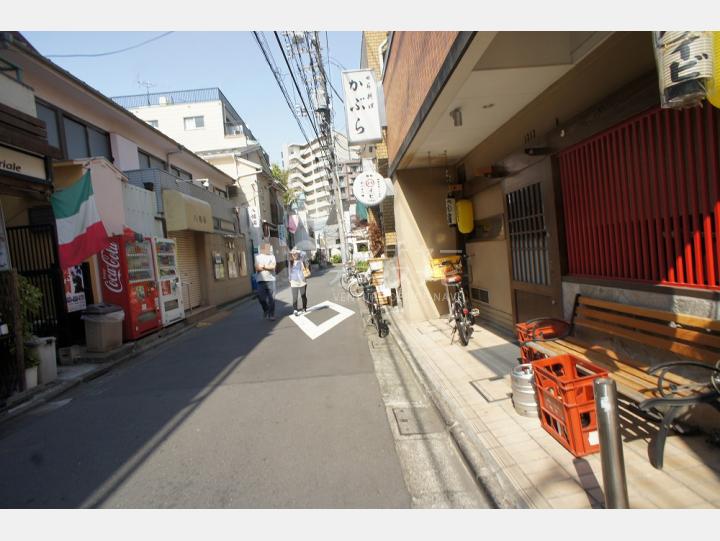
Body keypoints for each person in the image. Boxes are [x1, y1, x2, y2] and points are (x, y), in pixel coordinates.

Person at [254, 243, 276, 320]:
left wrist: (263, 266)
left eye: (268, 248)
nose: (268, 249)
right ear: (262, 249)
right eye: (266, 248)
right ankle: (266, 309)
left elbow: (273, 267)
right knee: (261, 297)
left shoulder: (272, 256)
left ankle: (271, 314)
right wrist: (267, 267)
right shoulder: (257, 257)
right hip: (260, 280)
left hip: (271, 280)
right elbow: (257, 268)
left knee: (271, 299)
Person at [288, 247, 309, 316]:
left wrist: (298, 251)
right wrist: (289, 279)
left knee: (303, 295)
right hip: (294, 281)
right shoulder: (290, 262)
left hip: (302, 280)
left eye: (295, 254)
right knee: (295, 297)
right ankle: (295, 310)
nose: (294, 255)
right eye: (293, 254)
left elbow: (304, 254)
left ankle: (304, 308)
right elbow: (289, 272)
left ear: (298, 254)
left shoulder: (301, 260)